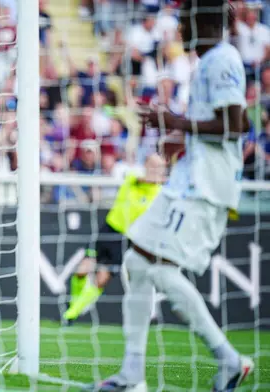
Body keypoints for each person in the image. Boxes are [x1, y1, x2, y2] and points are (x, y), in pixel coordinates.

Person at [86, 1, 255, 391]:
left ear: (205, 21)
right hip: (186, 181)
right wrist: (178, 138)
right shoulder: (209, 60)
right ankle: (131, 375)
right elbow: (220, 121)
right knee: (136, 260)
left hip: (205, 188)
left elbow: (236, 123)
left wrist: (178, 122)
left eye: (185, 20)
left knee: (158, 268)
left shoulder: (223, 59)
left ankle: (228, 359)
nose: (179, 28)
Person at [64, 154, 166, 323]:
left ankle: (71, 314)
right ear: (146, 164)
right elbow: (140, 178)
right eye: (154, 165)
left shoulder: (159, 194)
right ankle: (75, 304)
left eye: (160, 167)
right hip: (108, 230)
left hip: (124, 240)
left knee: (101, 279)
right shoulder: (133, 177)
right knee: (81, 271)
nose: (156, 170)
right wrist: (154, 179)